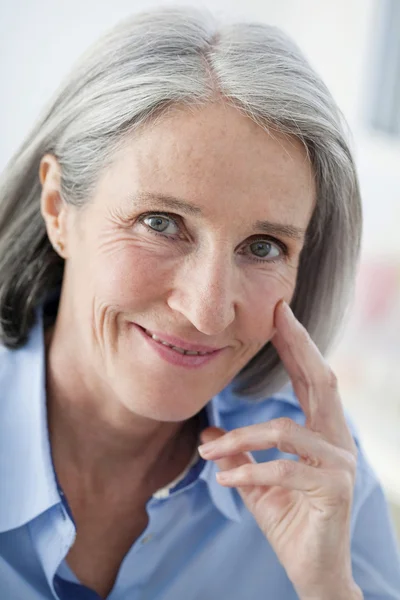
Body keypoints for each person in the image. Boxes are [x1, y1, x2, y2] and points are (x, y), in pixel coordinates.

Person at [0, 6, 399, 600]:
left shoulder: (319, 471)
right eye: (160, 223)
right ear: (59, 208)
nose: (208, 310)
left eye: (263, 246)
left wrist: (327, 587)